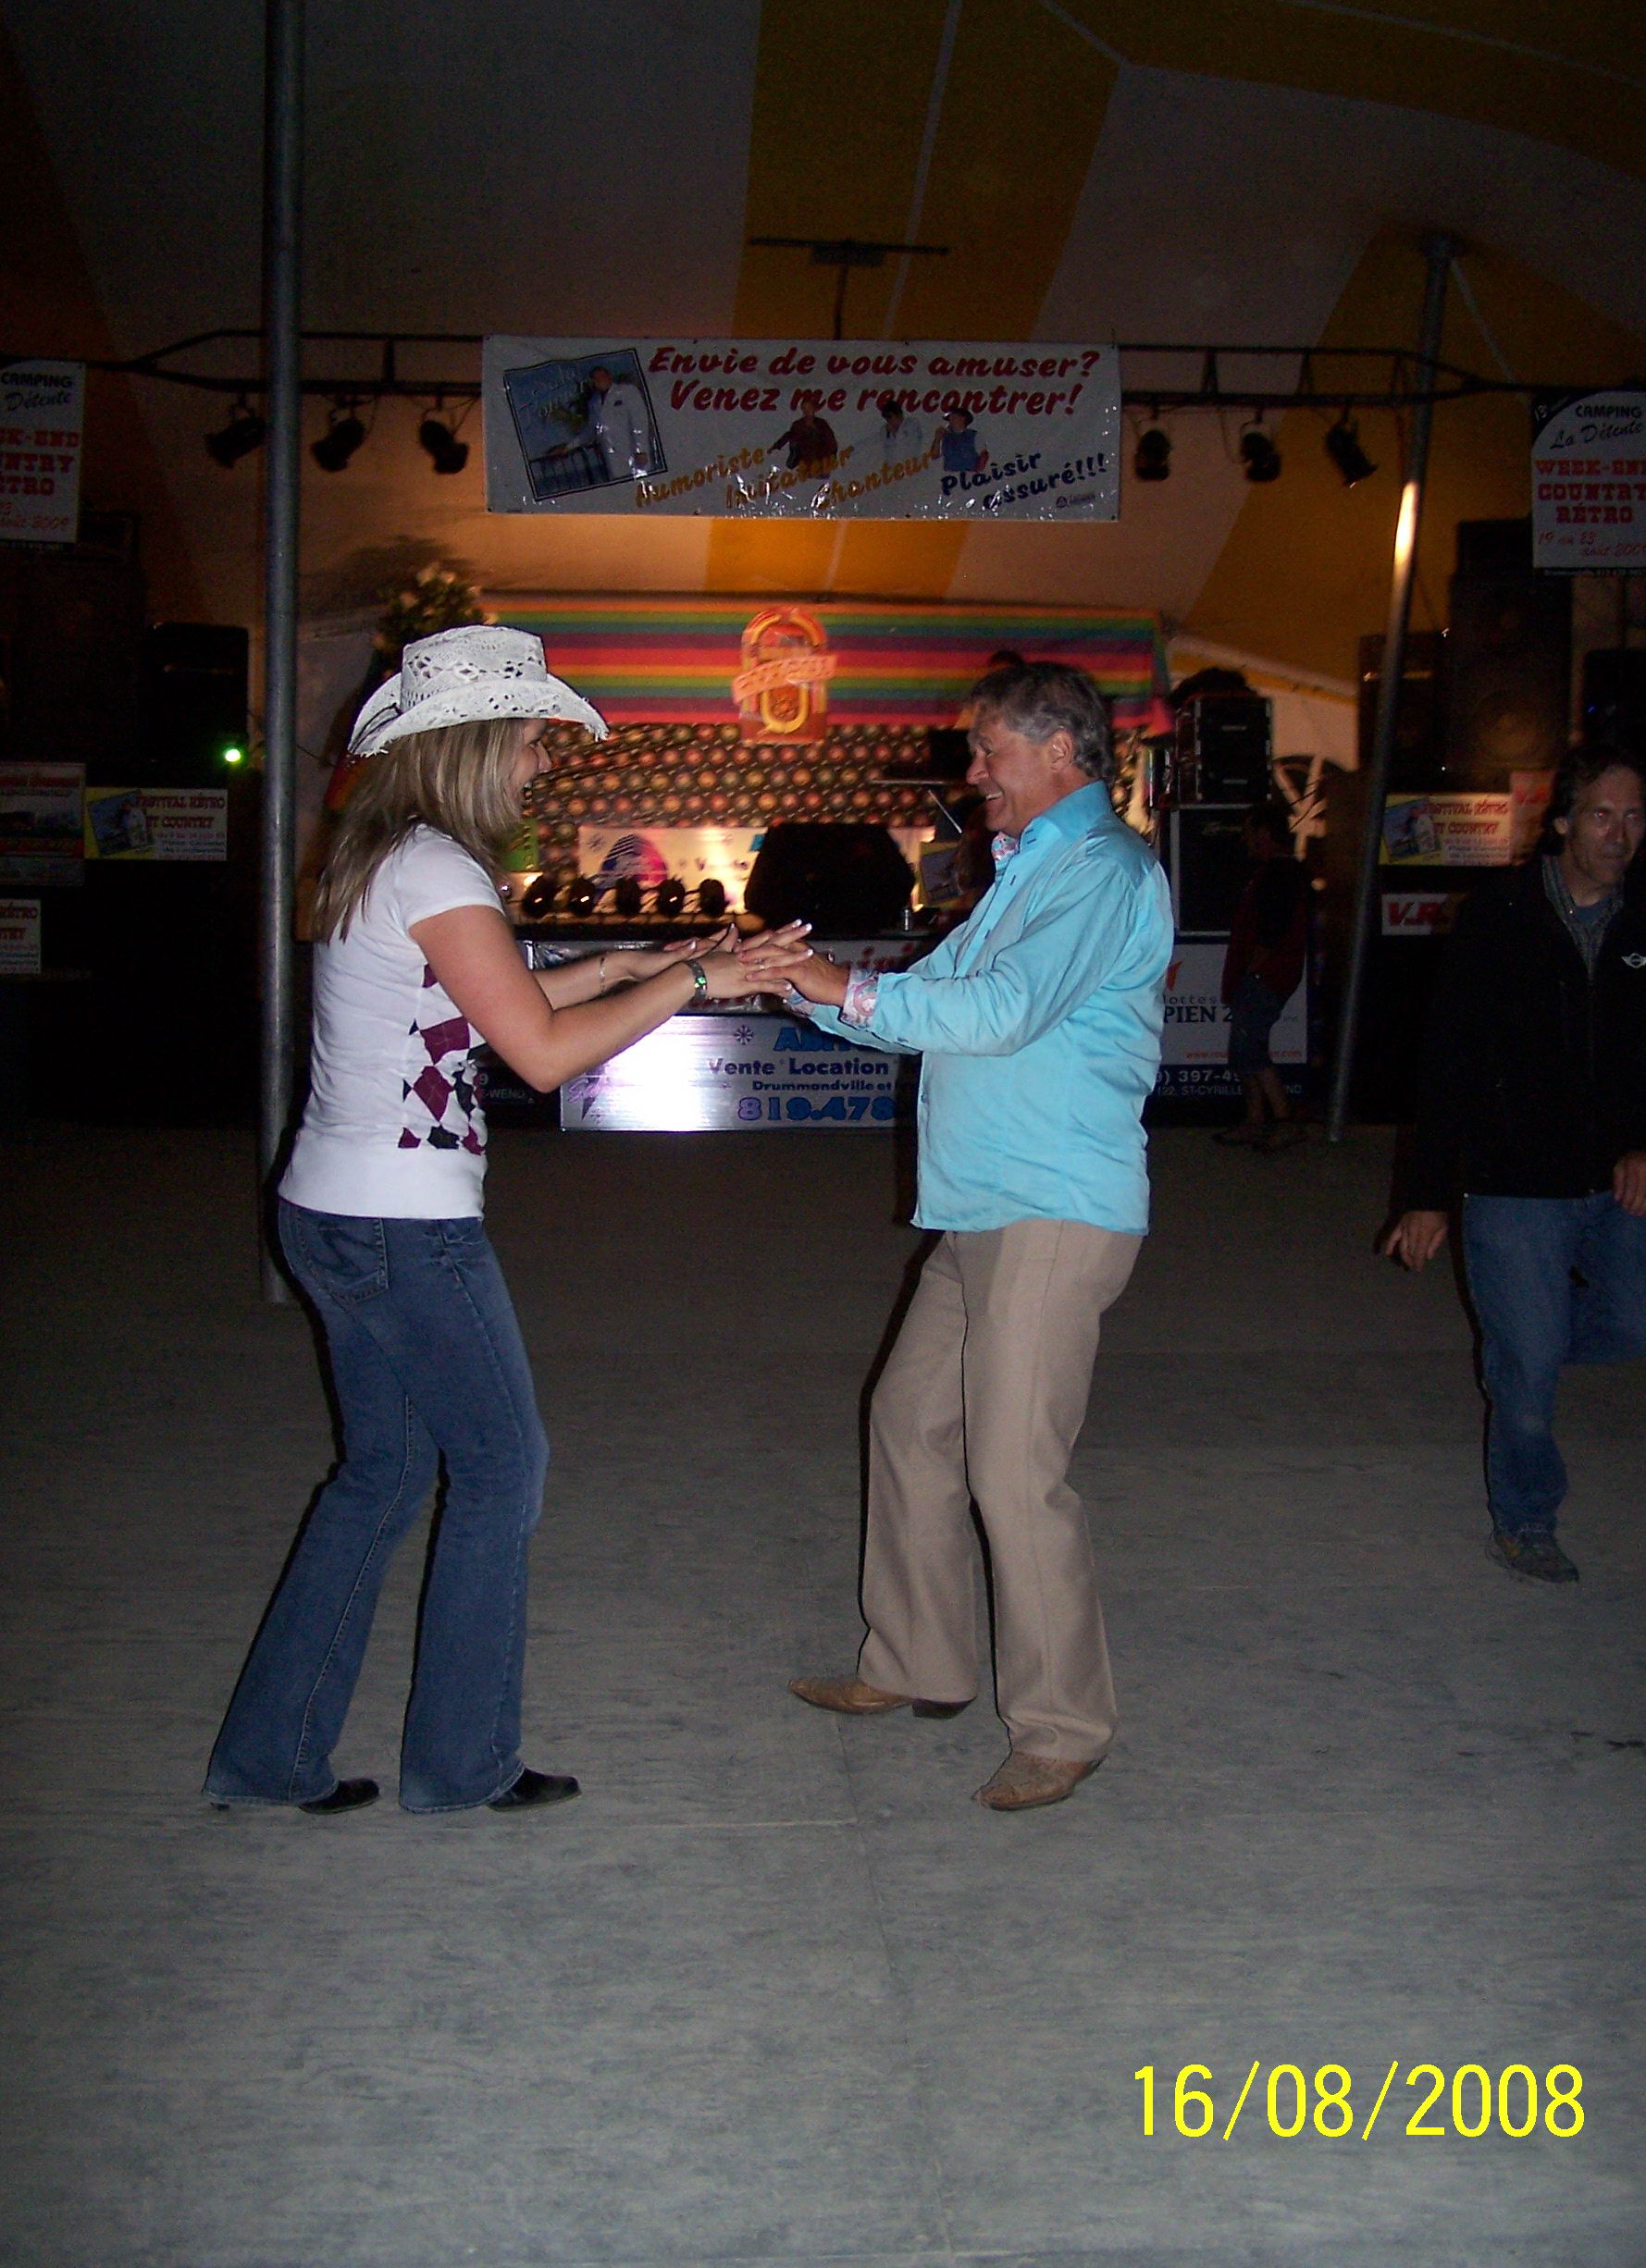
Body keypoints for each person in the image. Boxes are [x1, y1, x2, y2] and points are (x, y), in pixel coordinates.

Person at [205, 625, 789, 1817]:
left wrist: (641, 964)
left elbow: (473, 1000)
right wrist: (696, 982)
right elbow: (538, 1050)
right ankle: (462, 1763)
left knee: (381, 1475)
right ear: (472, 742)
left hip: (337, 1208)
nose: (540, 763)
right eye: (530, 739)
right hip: (403, 1225)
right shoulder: (439, 870)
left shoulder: (390, 853)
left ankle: (270, 1755)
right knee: (501, 1466)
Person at [744, 661, 1174, 1812]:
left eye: (988, 748)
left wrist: (844, 988)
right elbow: (928, 1002)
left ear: (1060, 749)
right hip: (987, 1202)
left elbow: (999, 1012)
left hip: (1052, 1204)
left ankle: (1064, 1723)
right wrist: (802, 985)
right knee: (907, 1418)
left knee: (1013, 1470)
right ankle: (917, 1659)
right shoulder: (1029, 868)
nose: (971, 769)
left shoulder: (1103, 868)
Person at [1380, 746, 1646, 1584]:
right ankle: (1526, 1520)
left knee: (1640, 1324)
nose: (1619, 833)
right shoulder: (1501, 915)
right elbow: (1448, 1058)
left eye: (1634, 816)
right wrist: (1427, 1195)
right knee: (1528, 1371)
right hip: (1515, 1182)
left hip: (1617, 1177)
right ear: (1563, 822)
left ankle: (1522, 1345)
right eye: (1602, 815)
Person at [1218, 795, 1308, 1148]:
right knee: (1246, 1049)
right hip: (1266, 974)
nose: (1245, 840)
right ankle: (1255, 1119)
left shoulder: (1278, 874)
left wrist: (1252, 971)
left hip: (1264, 975)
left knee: (1249, 1049)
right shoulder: (1278, 872)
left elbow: (1272, 932)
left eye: (1249, 832)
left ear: (1264, 834)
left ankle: (1283, 1120)